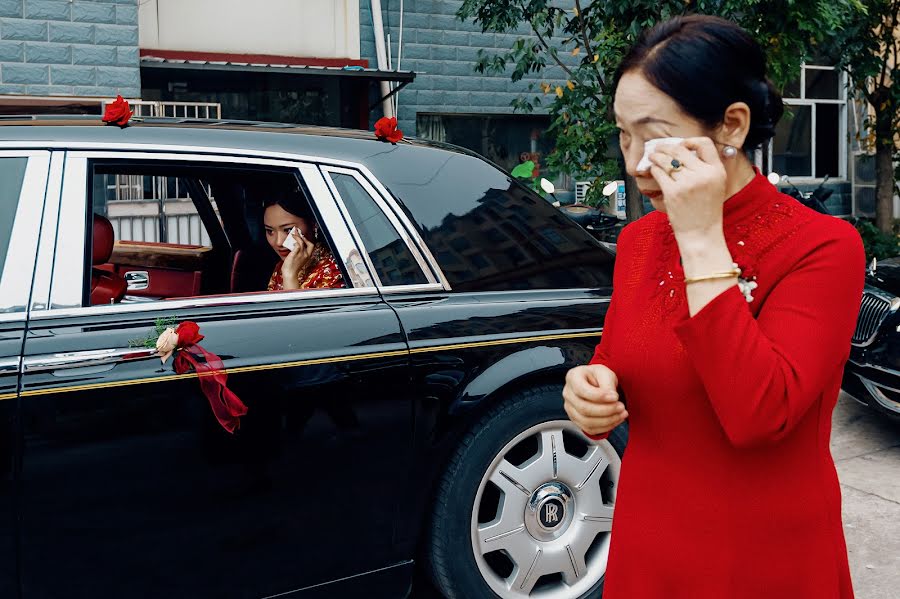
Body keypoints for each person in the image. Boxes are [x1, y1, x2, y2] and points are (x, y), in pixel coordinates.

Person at [562, 15, 862, 599]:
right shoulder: (640, 242)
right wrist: (590, 388)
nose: (633, 162)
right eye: (623, 135)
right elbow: (619, 363)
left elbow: (760, 414)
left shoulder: (822, 247)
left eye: (653, 135)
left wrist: (701, 236)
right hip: (648, 545)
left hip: (762, 559)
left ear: (731, 125)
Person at [262, 189, 344, 291]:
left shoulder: (335, 270)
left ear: (313, 224)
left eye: (288, 230)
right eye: (270, 231)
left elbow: (294, 307)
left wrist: (290, 275)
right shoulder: (283, 265)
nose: (278, 242)